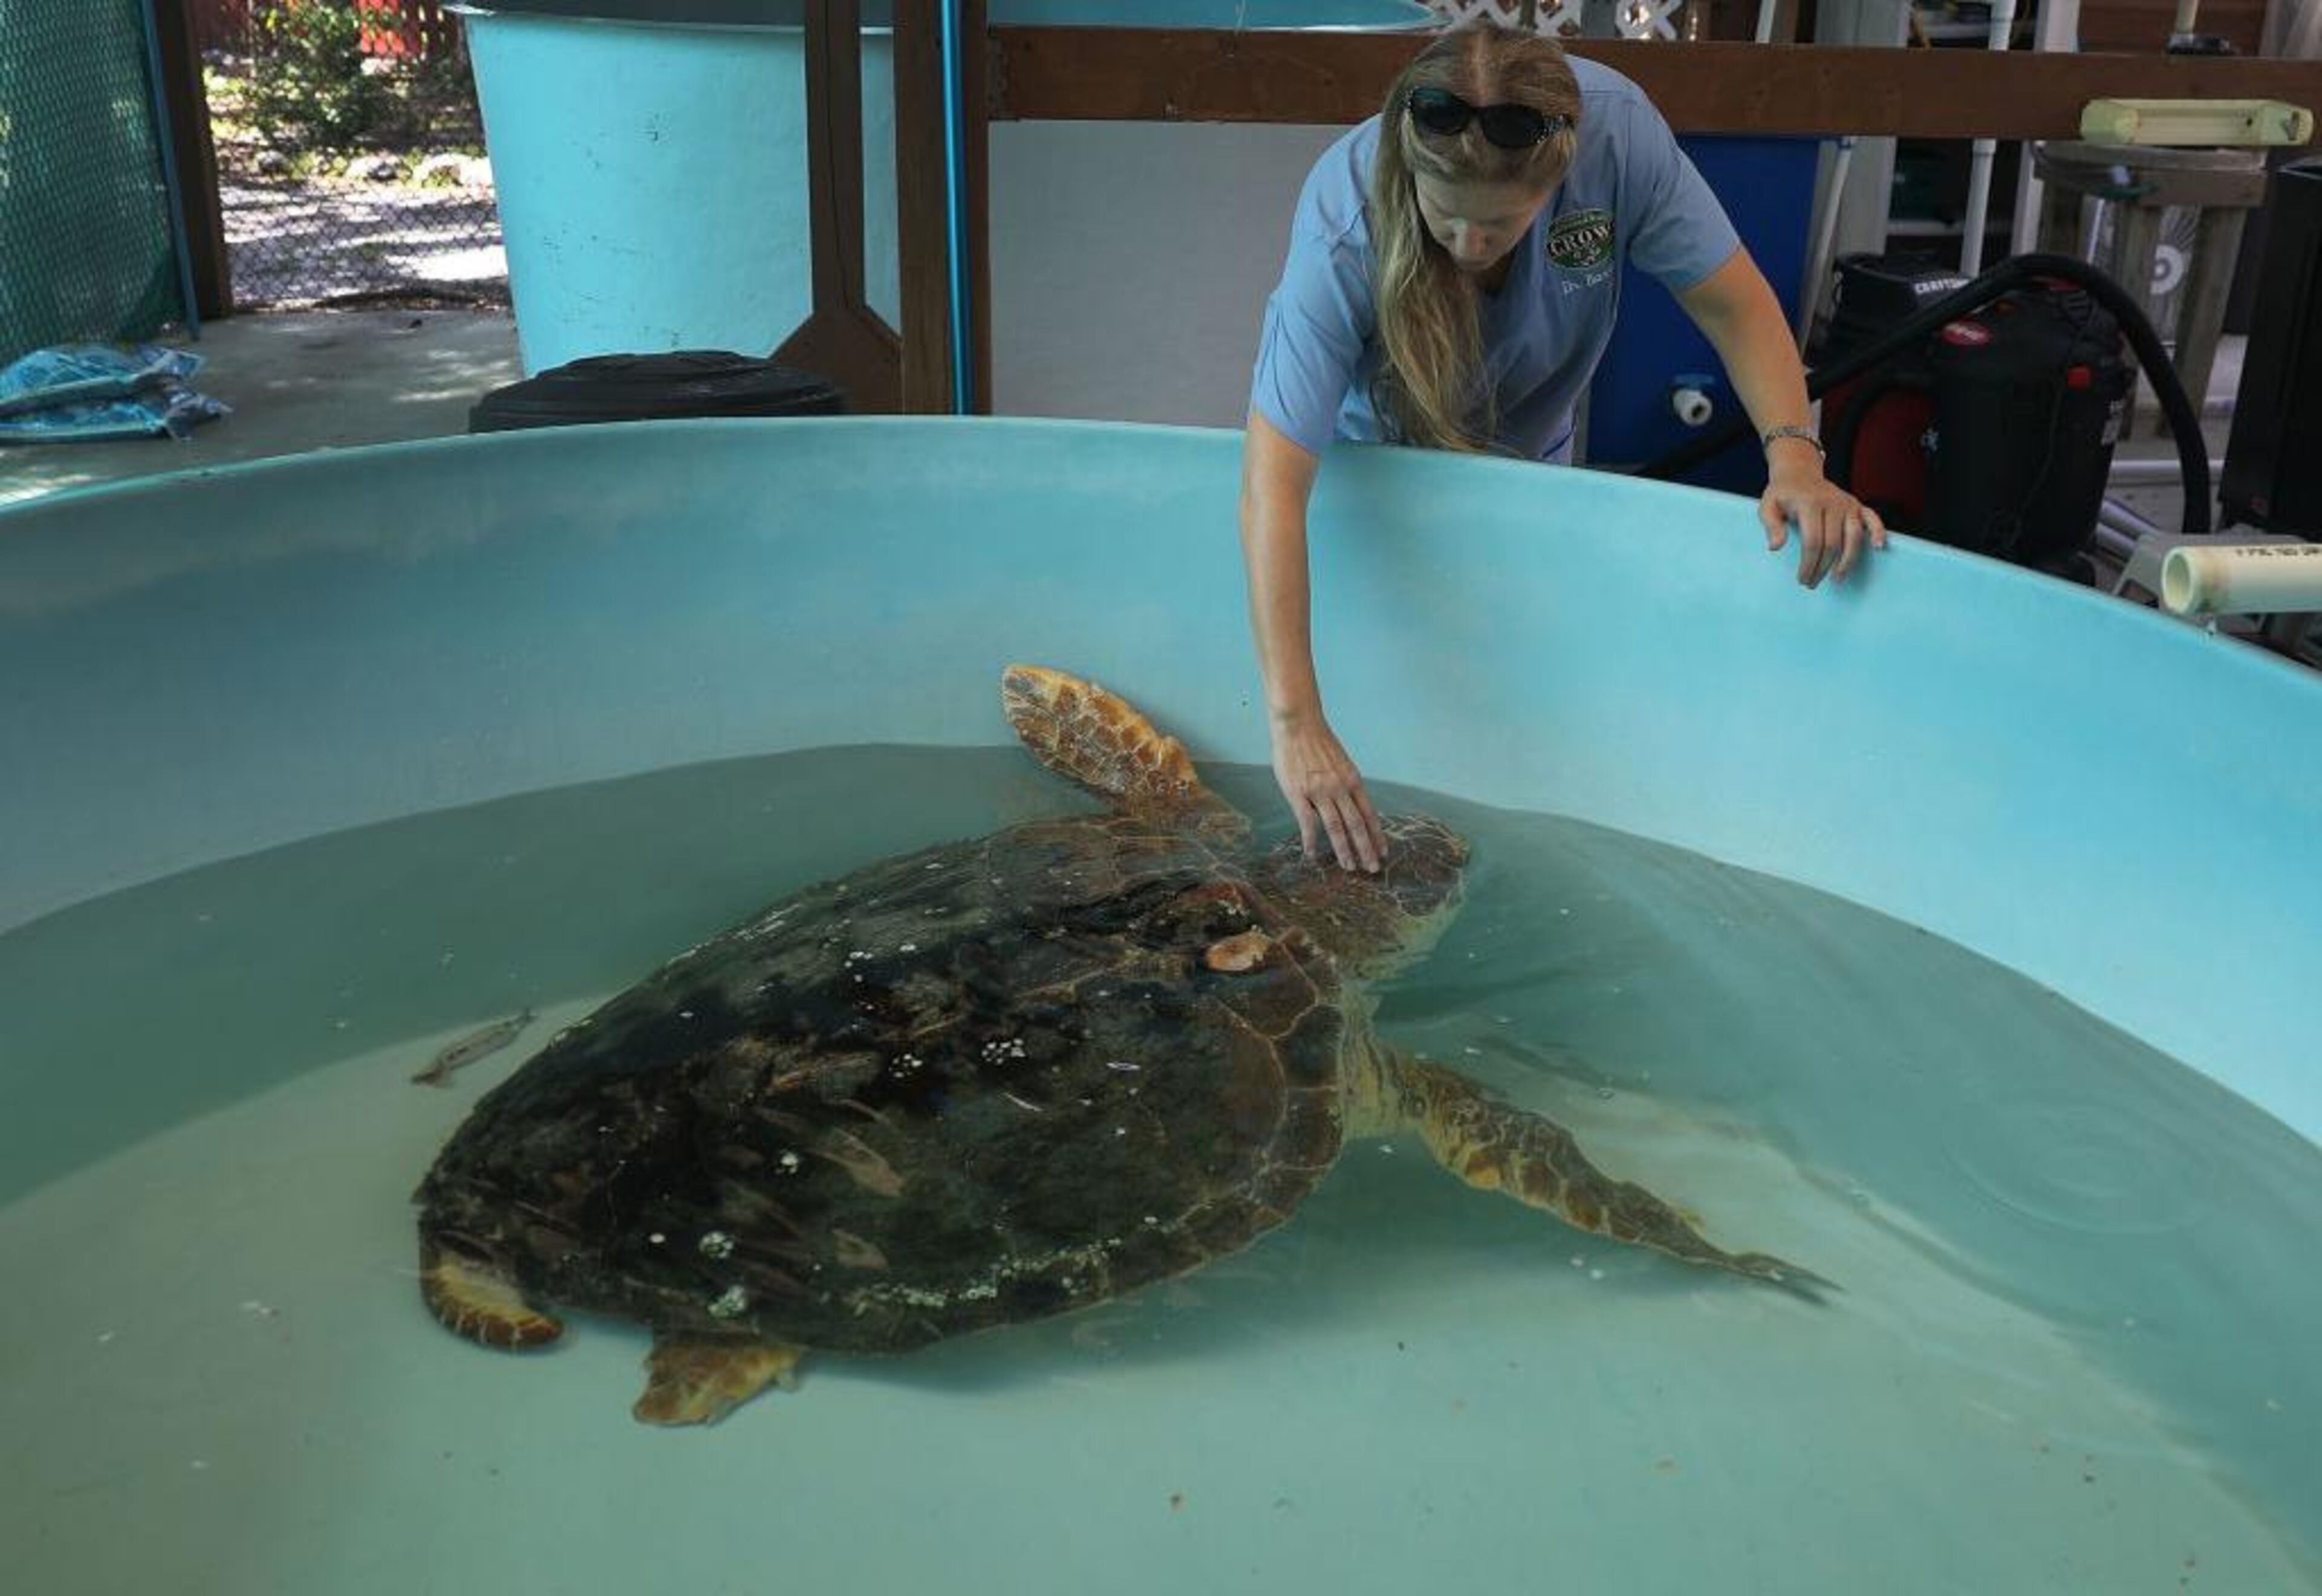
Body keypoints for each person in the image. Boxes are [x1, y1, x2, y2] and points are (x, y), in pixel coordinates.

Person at [1240, 21, 1884, 875]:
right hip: (1377, 469)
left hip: (1531, 457)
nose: (1469, 249)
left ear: (1559, 178)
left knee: (1524, 715)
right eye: (1447, 221)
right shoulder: (1344, 221)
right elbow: (1273, 490)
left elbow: (1734, 304)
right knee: (1398, 686)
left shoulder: (1618, 137)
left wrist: (1797, 459)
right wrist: (1296, 724)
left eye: (1499, 227)